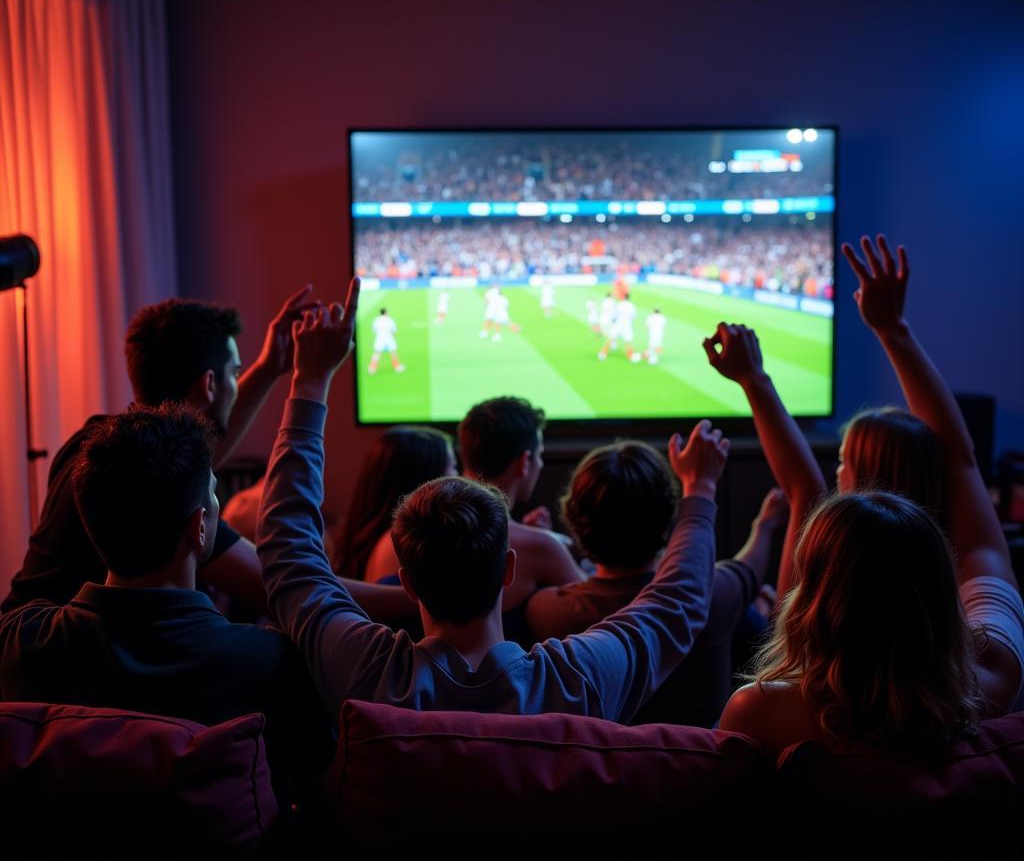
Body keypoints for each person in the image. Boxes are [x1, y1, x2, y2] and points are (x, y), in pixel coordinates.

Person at [256, 280, 730, 724]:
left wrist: (311, 379)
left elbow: (290, 559)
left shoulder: (365, 672)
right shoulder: (574, 681)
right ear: (507, 569)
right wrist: (700, 488)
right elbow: (677, 603)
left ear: (408, 583)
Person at [717, 235, 1023, 754]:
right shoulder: (989, 683)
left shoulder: (759, 709)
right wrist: (893, 330)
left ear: (816, 578)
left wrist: (754, 380)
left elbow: (803, 489)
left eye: (844, 467)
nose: (832, 481)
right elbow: (960, 460)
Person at [0, 404, 332, 794]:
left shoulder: (20, 643)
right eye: (213, 493)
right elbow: (316, 794)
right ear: (200, 526)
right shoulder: (270, 663)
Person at [3, 287, 315, 616]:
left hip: (23, 640)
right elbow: (288, 592)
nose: (237, 386)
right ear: (209, 384)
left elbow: (197, 450)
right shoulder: (158, 487)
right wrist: (313, 380)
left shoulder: (98, 442)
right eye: (235, 375)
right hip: (48, 660)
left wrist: (269, 368)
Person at [526, 440, 788, 726]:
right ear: (667, 515)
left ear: (575, 519)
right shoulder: (714, 592)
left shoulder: (543, 610)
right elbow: (749, 568)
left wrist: (546, 543)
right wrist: (764, 525)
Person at [457, 396, 585, 628]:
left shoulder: (406, 533)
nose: (541, 464)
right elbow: (598, 610)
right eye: (539, 455)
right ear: (524, 461)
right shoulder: (539, 546)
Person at [332, 426, 457, 581]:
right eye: (452, 467)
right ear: (426, 480)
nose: (458, 477)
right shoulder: (403, 543)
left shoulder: (363, 537)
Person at [367, 307, 405, 374]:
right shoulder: (389, 320)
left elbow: (374, 330)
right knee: (393, 352)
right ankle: (397, 367)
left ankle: (372, 368)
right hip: (388, 338)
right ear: (386, 312)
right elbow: (394, 331)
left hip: (380, 338)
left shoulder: (376, 320)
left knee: (377, 353)